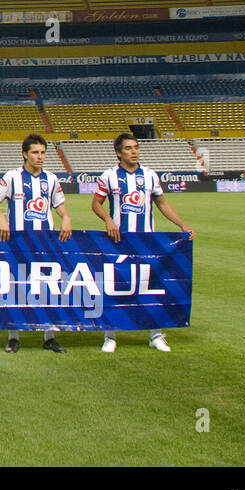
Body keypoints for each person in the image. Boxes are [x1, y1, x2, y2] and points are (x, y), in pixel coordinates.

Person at [91, 133, 195, 353]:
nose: (134, 151)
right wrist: (108, 219)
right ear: (118, 152)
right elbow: (96, 204)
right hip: (119, 241)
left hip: (148, 241)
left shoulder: (150, 175)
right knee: (115, 286)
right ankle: (110, 335)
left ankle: (155, 335)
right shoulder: (109, 176)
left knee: (152, 286)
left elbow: (162, 204)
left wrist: (182, 226)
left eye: (136, 147)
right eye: (128, 148)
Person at [0, 133, 73, 354]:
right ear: (25, 154)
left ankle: (49, 336)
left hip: (46, 242)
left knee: (49, 287)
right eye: (35, 152)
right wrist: (1, 218)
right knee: (16, 288)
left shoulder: (51, 179)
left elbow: (59, 205)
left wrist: (65, 217)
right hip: (17, 242)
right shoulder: (13, 177)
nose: (40, 156)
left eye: (43, 152)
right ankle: (14, 336)